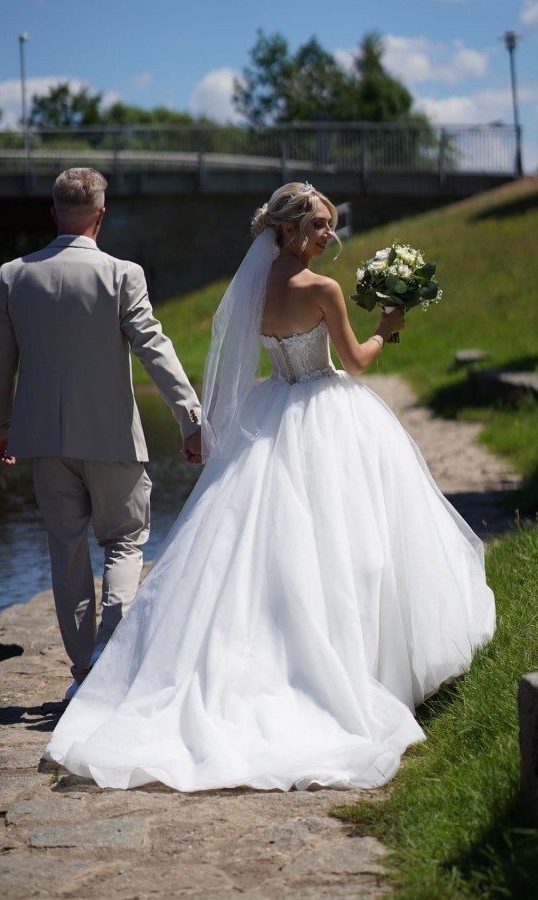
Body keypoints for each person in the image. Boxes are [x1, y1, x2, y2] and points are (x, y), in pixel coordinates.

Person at [43, 182, 495, 791]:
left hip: (271, 410)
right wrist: (388, 327)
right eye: (318, 226)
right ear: (286, 230)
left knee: (268, 549)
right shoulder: (321, 289)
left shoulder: (252, 288)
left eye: (329, 224)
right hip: (325, 410)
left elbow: (243, 361)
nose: (328, 235)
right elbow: (356, 362)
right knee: (347, 543)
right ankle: (357, 665)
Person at [0, 167, 202, 701]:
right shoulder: (122, 274)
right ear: (101, 215)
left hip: (44, 442)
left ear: (54, 213)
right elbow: (154, 347)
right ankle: (110, 656)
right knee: (125, 541)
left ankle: (84, 671)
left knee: (66, 552)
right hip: (111, 438)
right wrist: (190, 418)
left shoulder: (13, 276)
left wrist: (1, 427)